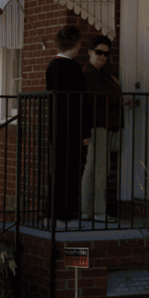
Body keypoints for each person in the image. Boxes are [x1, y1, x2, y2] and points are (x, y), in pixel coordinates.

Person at [45, 25, 86, 223]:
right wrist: (85, 131)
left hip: (55, 126)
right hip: (72, 128)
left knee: (56, 171)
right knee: (71, 172)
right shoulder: (74, 69)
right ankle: (66, 214)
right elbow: (82, 102)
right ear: (76, 44)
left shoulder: (52, 66)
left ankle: (52, 213)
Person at [81, 34, 123, 220]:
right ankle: (98, 211)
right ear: (90, 52)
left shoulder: (102, 74)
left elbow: (111, 96)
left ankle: (87, 211)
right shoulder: (89, 74)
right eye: (99, 52)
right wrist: (116, 90)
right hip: (97, 125)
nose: (103, 57)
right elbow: (106, 97)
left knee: (94, 167)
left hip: (103, 125)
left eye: (106, 54)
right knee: (99, 168)